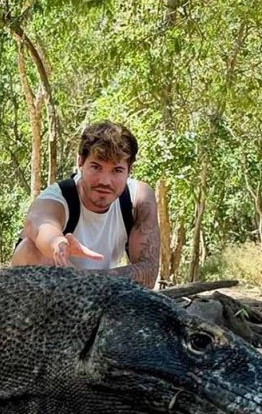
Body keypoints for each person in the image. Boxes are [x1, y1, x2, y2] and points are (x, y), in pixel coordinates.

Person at [11, 120, 160, 288]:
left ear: (129, 170)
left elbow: (148, 273)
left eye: (117, 170)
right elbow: (37, 222)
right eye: (96, 167)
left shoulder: (138, 198)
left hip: (98, 293)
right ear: (80, 162)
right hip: (49, 290)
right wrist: (58, 245)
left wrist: (82, 278)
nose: (105, 181)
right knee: (29, 249)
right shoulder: (59, 198)